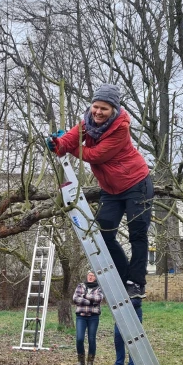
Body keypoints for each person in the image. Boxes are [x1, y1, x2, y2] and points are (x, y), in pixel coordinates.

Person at [47, 84, 153, 299]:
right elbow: (71, 138)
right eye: (95, 106)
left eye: (103, 108)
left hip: (136, 184)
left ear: (113, 110)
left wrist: (69, 147)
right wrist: (58, 143)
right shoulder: (87, 122)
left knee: (137, 233)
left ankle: (137, 282)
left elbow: (95, 155)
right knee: (103, 234)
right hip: (111, 190)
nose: (98, 112)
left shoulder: (120, 128)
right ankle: (123, 277)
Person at [72, 271, 104, 365]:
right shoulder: (80, 286)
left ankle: (90, 363)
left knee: (91, 339)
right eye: (89, 275)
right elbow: (75, 298)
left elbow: (98, 298)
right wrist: (89, 301)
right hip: (81, 316)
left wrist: (84, 296)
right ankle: (81, 362)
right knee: (79, 339)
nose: (91, 277)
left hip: (93, 317)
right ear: (87, 276)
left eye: (93, 275)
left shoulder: (100, 287)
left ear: (96, 277)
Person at [106, 297, 142, 365]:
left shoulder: (139, 284)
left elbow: (137, 300)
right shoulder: (119, 284)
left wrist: (121, 303)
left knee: (133, 340)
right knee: (118, 338)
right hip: (121, 313)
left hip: (134, 312)